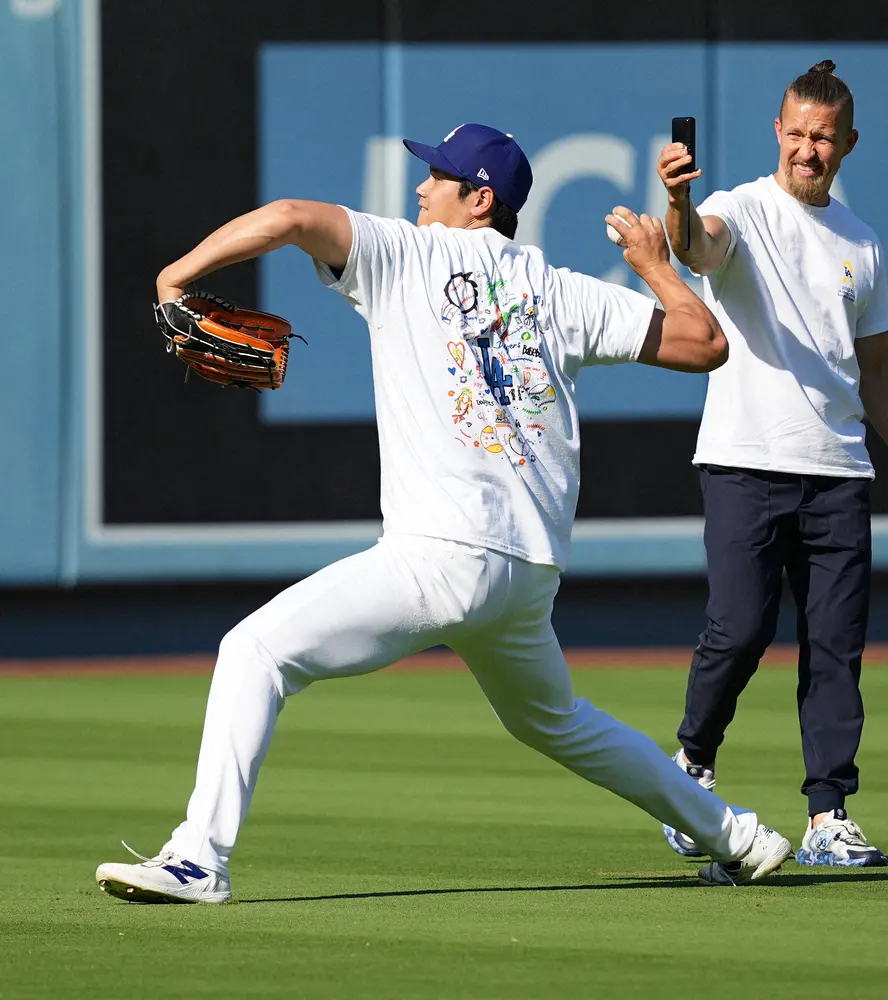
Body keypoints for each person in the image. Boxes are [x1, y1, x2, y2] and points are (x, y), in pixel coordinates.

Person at [96, 123, 792, 903]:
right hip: (526, 574)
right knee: (556, 721)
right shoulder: (558, 288)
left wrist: (174, 274)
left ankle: (198, 859)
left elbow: (290, 215)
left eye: (439, 176)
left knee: (253, 652)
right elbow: (703, 342)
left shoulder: (403, 254)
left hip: (439, 556)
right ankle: (736, 835)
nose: (422, 187)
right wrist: (657, 270)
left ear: (479, 199)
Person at [657, 62, 888, 866]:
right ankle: (689, 770)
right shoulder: (738, 209)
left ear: (848, 143)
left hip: (840, 470)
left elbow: (875, 366)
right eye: (795, 133)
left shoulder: (863, 241)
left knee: (835, 649)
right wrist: (680, 202)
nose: (807, 149)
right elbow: (697, 246)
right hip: (745, 460)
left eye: (823, 137)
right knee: (741, 628)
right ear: (777, 133)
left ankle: (829, 814)